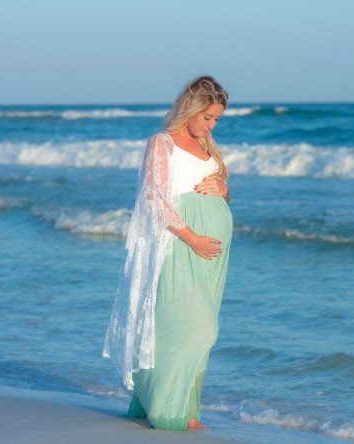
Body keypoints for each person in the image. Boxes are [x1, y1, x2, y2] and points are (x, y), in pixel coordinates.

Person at [102, 76, 232, 431]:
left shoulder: (208, 146)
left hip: (213, 252)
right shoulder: (162, 143)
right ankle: (167, 411)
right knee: (193, 328)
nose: (212, 124)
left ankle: (187, 409)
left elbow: (219, 194)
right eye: (208, 117)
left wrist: (223, 187)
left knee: (200, 326)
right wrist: (193, 238)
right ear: (190, 109)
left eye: (217, 119)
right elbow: (154, 199)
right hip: (180, 244)